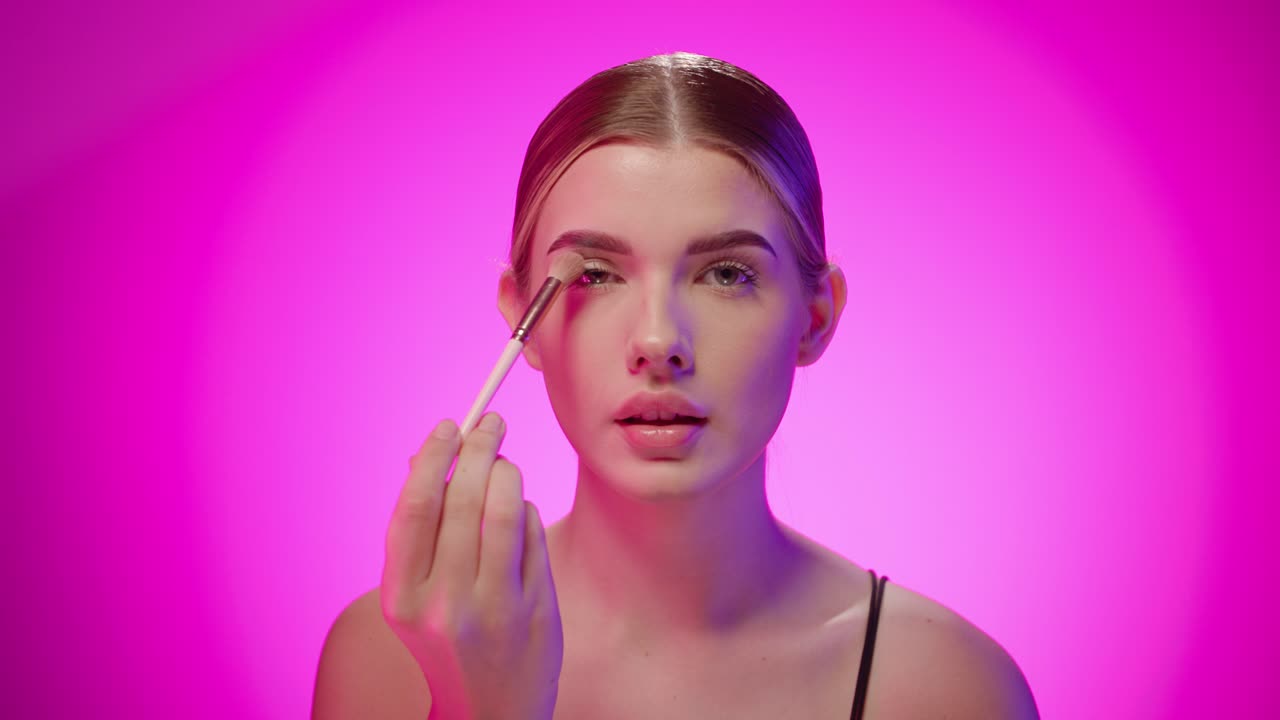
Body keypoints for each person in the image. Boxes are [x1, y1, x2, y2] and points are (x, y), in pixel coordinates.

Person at [312, 51, 1039, 719]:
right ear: (523, 318)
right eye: (594, 275)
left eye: (726, 273)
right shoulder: (390, 657)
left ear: (816, 318)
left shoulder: (948, 688)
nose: (659, 342)